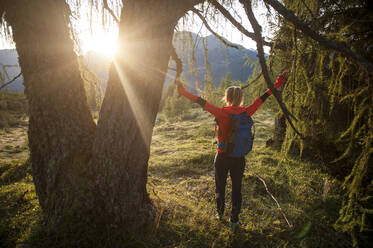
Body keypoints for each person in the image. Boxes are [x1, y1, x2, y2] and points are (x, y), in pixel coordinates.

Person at [177, 71, 289, 229]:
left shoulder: (221, 113)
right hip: (239, 158)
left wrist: (182, 91)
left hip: (222, 157)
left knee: (220, 186)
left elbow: (200, 101)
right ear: (241, 98)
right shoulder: (247, 111)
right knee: (237, 188)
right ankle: (234, 220)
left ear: (227, 98)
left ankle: (220, 213)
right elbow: (264, 96)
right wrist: (279, 82)